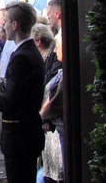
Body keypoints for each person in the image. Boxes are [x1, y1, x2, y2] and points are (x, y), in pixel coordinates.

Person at [0, 1, 46, 183]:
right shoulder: (31, 52)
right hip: (27, 133)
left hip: (19, 136)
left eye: (6, 22)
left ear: (15, 25)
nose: (3, 27)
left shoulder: (20, 56)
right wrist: (4, 86)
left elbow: (10, 103)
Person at [40, 32, 65, 183]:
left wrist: (40, 117)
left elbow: (55, 103)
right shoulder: (60, 73)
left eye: (58, 47)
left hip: (60, 131)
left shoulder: (65, 74)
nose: (55, 51)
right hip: (51, 129)